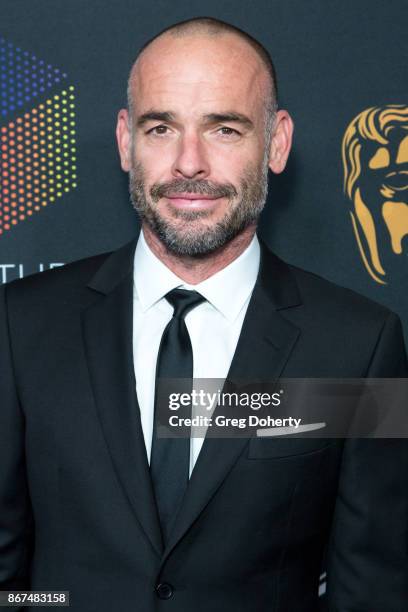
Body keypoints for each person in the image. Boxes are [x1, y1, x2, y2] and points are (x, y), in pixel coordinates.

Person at [0, 17, 407, 612]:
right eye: (161, 127)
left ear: (276, 142)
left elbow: (372, 588)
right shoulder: (20, 327)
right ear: (124, 141)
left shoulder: (360, 346)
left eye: (224, 128)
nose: (189, 163)